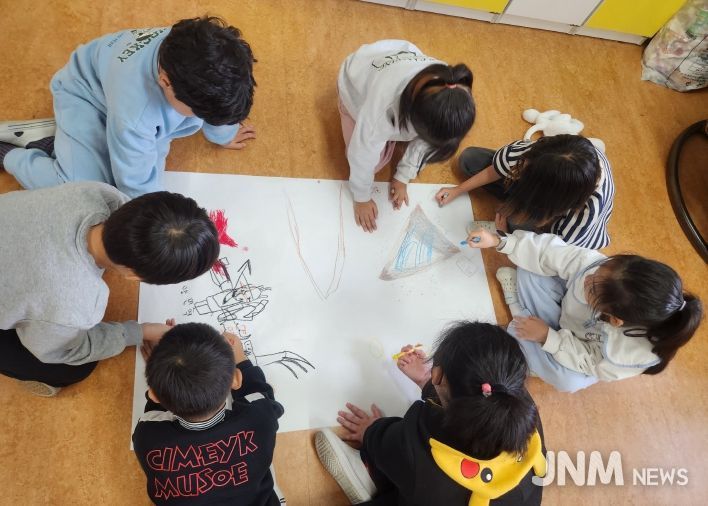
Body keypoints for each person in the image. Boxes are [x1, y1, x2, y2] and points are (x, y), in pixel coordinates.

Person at [0, 182, 220, 396]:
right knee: (75, 368)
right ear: (133, 276)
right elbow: (53, 350)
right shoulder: (75, 304)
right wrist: (140, 331)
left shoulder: (96, 193)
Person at [0, 16, 256, 197]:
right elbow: (134, 187)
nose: (203, 119)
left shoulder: (194, 42)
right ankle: (9, 154)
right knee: (87, 191)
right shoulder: (136, 113)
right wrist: (160, 224)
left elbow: (223, 90)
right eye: (200, 113)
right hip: (83, 95)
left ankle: (64, 142)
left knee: (144, 162)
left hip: (115, 92)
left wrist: (223, 131)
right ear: (166, 82)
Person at [315, 321, 545, 505]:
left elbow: (386, 443)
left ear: (437, 375)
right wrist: (428, 381)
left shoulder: (419, 437)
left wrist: (370, 430)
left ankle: (371, 476)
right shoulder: (518, 406)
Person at [467, 228, 703, 392]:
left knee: (567, 380)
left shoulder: (629, 355)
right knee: (530, 270)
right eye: (599, 271)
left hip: (579, 352)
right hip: (570, 318)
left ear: (615, 320)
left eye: (592, 288)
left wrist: (548, 337)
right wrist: (499, 241)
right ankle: (528, 327)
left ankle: (520, 314)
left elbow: (587, 359)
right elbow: (553, 253)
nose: (588, 278)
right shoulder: (604, 274)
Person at [133, 322, 285, 505]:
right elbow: (262, 395)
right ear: (236, 379)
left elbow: (154, 414)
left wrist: (164, 376)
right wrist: (242, 360)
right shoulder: (261, 419)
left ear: (154, 395)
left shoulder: (147, 436)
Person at [338, 40, 476, 232]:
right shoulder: (379, 113)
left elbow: (427, 142)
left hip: (395, 58)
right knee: (371, 162)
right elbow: (361, 156)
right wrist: (362, 198)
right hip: (354, 84)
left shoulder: (452, 91)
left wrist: (403, 176)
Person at [437, 135, 614, 249]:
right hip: (547, 193)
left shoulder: (586, 212)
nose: (519, 169)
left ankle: (516, 223)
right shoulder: (541, 153)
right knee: (469, 159)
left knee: (514, 222)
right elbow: (496, 169)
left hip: (558, 226)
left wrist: (503, 238)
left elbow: (554, 252)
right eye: (522, 166)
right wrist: (458, 189)